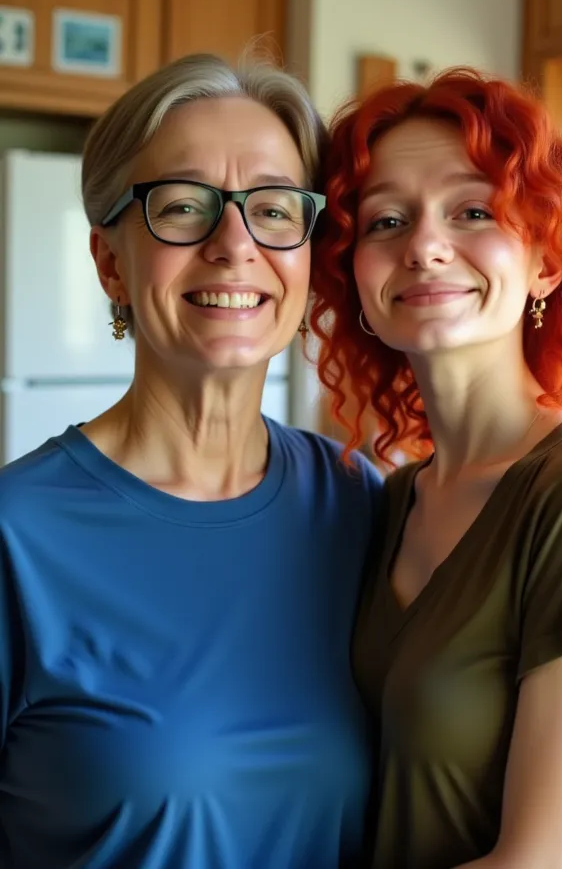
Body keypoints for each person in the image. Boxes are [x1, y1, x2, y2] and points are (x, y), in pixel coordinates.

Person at [0, 54, 383, 869]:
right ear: (111, 265)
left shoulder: (357, 502)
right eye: (182, 207)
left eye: (275, 209)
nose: (234, 244)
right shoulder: (15, 535)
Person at [310, 67, 562, 869]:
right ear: (356, 279)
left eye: (472, 211)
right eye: (385, 221)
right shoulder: (399, 497)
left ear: (546, 263)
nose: (425, 245)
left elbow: (541, 862)